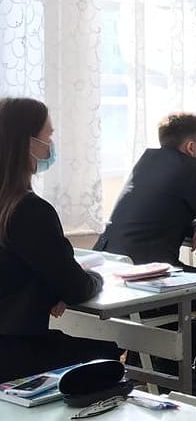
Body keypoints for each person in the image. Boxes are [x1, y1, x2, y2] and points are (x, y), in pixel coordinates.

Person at [94, 113, 196, 402]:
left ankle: (157, 367)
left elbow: (171, 205)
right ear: (191, 147)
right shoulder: (195, 169)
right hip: (148, 283)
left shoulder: (147, 162)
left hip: (114, 273)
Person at [0, 97, 120, 383]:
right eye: (49, 135)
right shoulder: (29, 210)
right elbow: (78, 288)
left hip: (10, 344)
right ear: (29, 143)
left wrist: (53, 286)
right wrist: (93, 277)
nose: (51, 143)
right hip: (15, 351)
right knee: (108, 352)